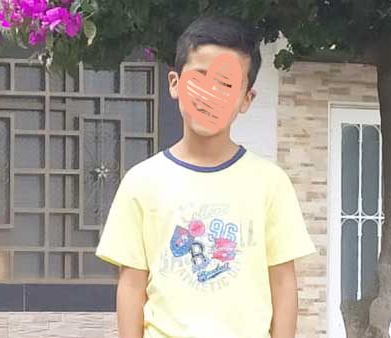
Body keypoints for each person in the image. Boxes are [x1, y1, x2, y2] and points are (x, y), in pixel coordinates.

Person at [95, 15, 316, 338]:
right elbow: (131, 284)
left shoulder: (271, 183)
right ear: (175, 83)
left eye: (225, 85)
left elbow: (283, 283)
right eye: (198, 78)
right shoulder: (141, 182)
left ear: (246, 99)